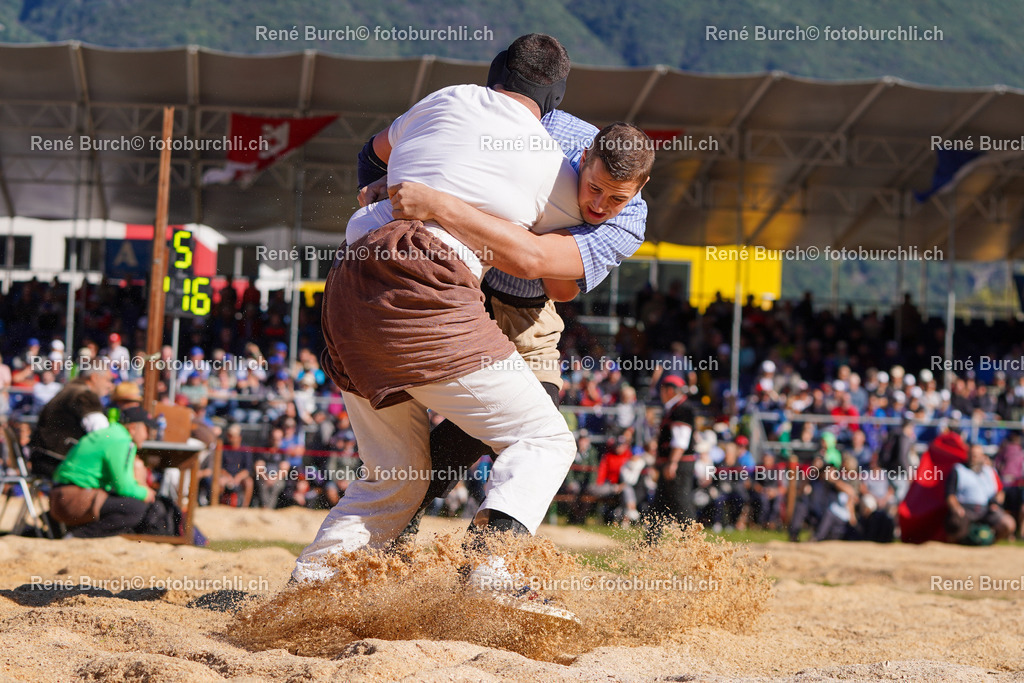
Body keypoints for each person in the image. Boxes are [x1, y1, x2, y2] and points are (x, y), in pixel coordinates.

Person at [293, 34, 649, 590]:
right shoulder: (552, 160)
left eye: (616, 199)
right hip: (440, 290)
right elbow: (376, 159)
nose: (598, 206)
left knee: (408, 471)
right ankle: (489, 572)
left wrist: (431, 201)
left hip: (371, 284)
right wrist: (382, 192)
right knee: (544, 440)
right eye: (596, 188)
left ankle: (314, 590)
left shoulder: (445, 101)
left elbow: (553, 279)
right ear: (583, 156)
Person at [48, 407, 158, 538]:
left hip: (62, 496)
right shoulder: (121, 440)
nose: (148, 436)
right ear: (133, 428)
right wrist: (146, 493)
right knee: (135, 508)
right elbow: (123, 487)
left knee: (128, 503)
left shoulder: (111, 433)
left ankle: (74, 534)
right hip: (72, 500)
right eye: (147, 430)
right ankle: (77, 536)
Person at [29, 367, 113, 478]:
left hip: (44, 459)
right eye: (108, 380)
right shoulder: (83, 394)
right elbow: (102, 432)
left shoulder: (69, 390)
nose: (110, 385)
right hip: (59, 462)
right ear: (94, 377)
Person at [645, 374, 696, 542]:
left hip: (678, 464)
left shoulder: (682, 409)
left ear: (670, 390)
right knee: (659, 504)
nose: (661, 393)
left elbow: (681, 440)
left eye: (663, 389)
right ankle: (650, 543)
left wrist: (673, 462)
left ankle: (691, 542)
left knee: (681, 502)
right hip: (671, 463)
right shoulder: (675, 408)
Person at [945, 442, 1016, 544]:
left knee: (1008, 524)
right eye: (972, 454)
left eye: (977, 455)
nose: (974, 457)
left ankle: (990, 544)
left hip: (987, 509)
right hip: (966, 509)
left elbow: (1000, 492)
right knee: (955, 523)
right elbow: (950, 494)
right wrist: (956, 508)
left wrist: (996, 503)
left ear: (983, 457)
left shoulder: (990, 471)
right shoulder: (958, 469)